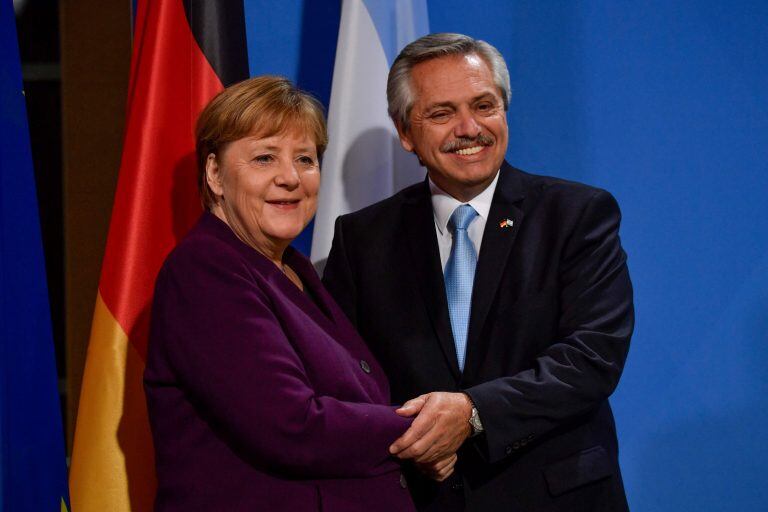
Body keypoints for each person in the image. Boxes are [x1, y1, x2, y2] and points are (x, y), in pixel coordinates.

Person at [323, 33, 634, 511]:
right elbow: (344, 378)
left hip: (557, 497)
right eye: (442, 113)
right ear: (406, 132)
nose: (469, 128)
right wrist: (410, 438)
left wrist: (471, 414)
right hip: (424, 497)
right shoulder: (361, 239)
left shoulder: (577, 215)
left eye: (483, 106)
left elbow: (592, 357)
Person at [144, 76, 451, 511]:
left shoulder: (294, 269)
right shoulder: (205, 270)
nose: (290, 178)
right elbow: (290, 426)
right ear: (214, 172)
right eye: (265, 158)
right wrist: (426, 431)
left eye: (305, 159)